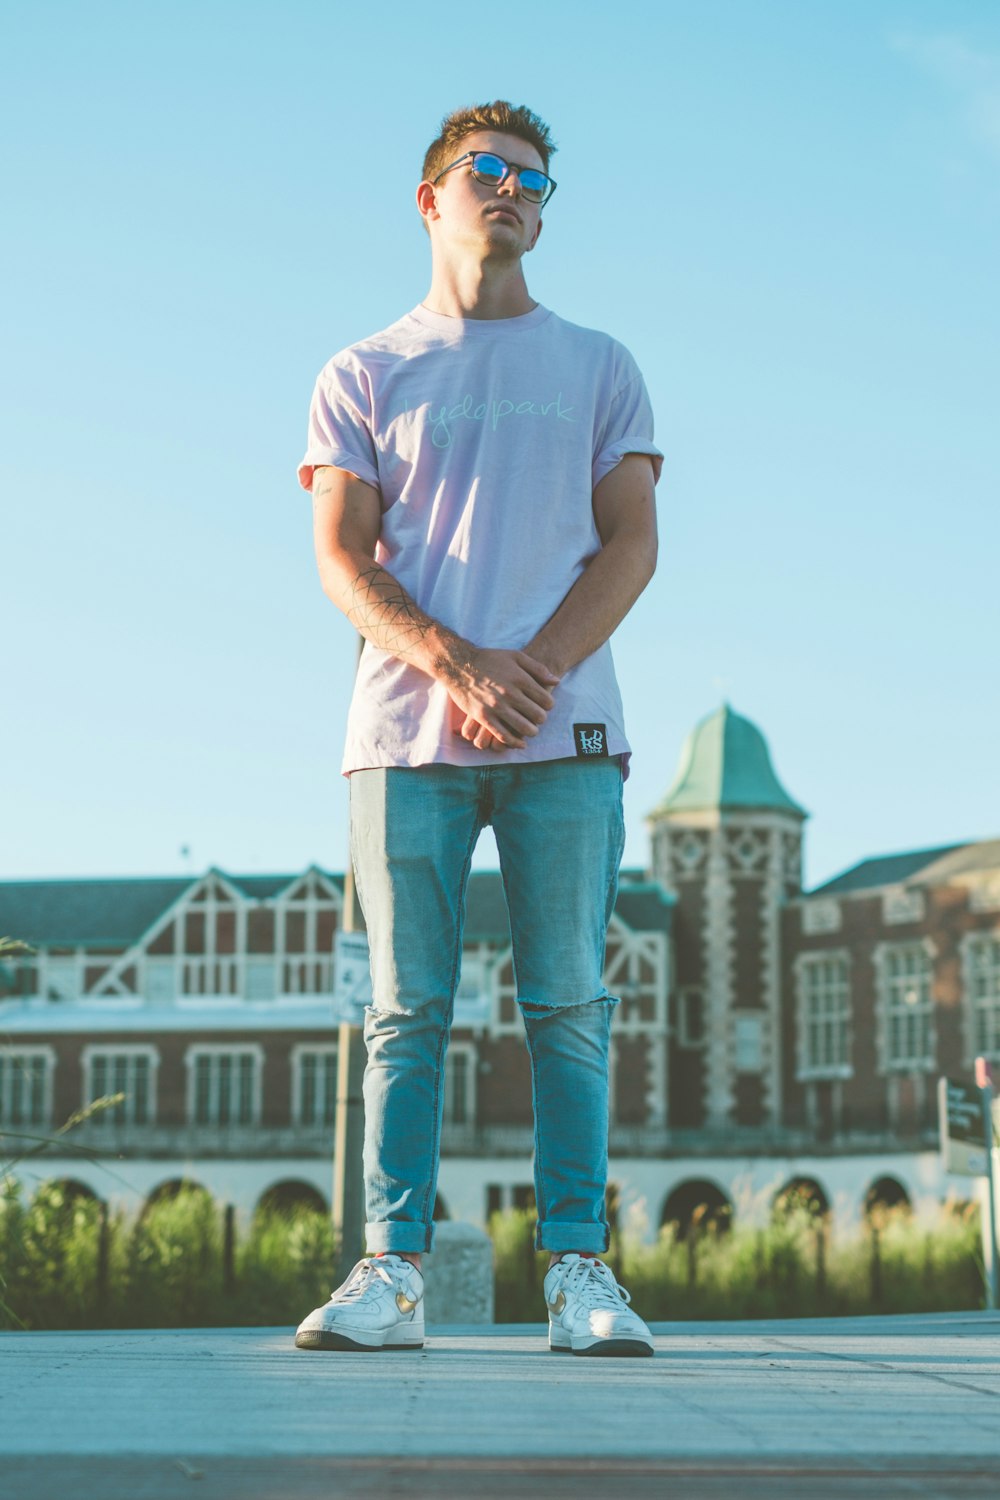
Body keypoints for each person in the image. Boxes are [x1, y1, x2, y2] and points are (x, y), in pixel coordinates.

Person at [294, 101, 661, 1357]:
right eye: (487, 171)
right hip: (404, 740)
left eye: (536, 181)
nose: (513, 191)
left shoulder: (600, 364)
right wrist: (453, 659)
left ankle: (580, 1275)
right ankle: (389, 1273)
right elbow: (340, 560)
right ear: (430, 196)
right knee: (406, 1009)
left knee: (567, 1004)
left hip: (568, 743)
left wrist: (534, 672)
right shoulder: (363, 370)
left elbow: (633, 544)